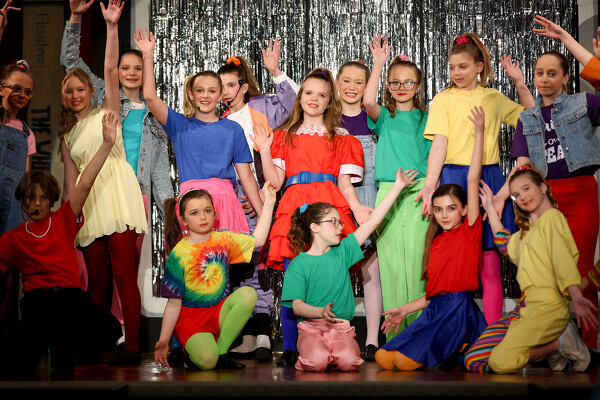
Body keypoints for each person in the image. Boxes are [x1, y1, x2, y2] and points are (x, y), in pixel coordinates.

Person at [416, 32, 534, 325]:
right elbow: (439, 145)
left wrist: (520, 84)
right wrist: (430, 185)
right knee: (455, 258)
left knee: (490, 260)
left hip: (487, 179)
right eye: (452, 67)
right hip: (453, 179)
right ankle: (455, 326)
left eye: (463, 67)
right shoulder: (443, 99)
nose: (456, 73)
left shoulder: (492, 98)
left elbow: (532, 119)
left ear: (479, 67)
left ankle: (491, 333)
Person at [252, 67, 367, 366]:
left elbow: (345, 184)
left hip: (328, 207)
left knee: (330, 275)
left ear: (329, 102)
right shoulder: (283, 136)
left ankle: (334, 343)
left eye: (321, 95)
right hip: (294, 209)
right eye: (308, 92)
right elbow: (275, 181)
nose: (314, 99)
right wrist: (265, 150)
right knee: (294, 279)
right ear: (300, 97)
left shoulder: (342, 139)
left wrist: (357, 209)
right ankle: (291, 347)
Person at [0, 111, 124, 375]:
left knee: (107, 329)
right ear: (22, 201)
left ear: (52, 201)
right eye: (31, 198)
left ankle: (67, 350)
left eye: (42, 198)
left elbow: (86, 182)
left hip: (69, 301)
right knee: (17, 369)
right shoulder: (12, 238)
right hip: (38, 304)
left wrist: (107, 144)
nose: (36, 203)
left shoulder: (62, 220)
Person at [59, 0, 148, 365]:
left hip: (116, 192)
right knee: (95, 279)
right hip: (89, 202)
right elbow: (70, 184)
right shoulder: (67, 136)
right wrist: (67, 220)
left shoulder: (108, 111)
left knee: (124, 273)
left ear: (91, 92)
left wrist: (112, 27)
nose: (75, 95)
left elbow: (111, 69)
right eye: (69, 91)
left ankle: (133, 346)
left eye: (80, 89)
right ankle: (94, 344)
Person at [61, 0, 174, 263]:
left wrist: (172, 221)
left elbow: (160, 174)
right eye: (125, 67)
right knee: (98, 271)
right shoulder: (103, 94)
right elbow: (70, 62)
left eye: (138, 68)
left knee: (126, 272)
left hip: (134, 195)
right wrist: (75, 17)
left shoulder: (155, 116)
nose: (131, 73)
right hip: (99, 190)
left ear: (147, 71)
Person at [374, 106, 487, 371]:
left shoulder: (469, 231)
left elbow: (472, 179)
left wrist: (479, 133)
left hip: (458, 311)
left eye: (451, 208)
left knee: (402, 362)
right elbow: (431, 297)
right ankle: (456, 348)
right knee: (383, 358)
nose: (444, 215)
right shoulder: (435, 242)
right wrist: (404, 309)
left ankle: (463, 340)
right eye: (438, 209)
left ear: (464, 210)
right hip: (436, 309)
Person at [516, 16, 600, 353]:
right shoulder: (527, 118)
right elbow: (522, 168)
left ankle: (590, 342)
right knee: (547, 272)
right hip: (545, 200)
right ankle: (555, 342)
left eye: (553, 73)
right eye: (540, 73)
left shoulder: (585, 104)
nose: (545, 79)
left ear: (566, 78)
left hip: (580, 193)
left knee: (581, 271)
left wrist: (566, 39)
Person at [282, 167, 419, 372]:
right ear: (315, 227)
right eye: (333, 222)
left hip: (340, 328)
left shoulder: (343, 251)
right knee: (318, 361)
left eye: (340, 222)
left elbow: (373, 221)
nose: (340, 226)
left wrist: (398, 186)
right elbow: (298, 307)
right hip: (311, 328)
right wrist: (319, 312)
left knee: (348, 362)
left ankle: (333, 355)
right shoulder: (299, 264)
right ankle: (318, 355)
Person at [463, 165, 598, 373]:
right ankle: (553, 344)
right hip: (524, 309)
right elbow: (504, 245)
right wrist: (489, 207)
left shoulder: (552, 218)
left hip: (547, 307)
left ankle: (560, 343)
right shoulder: (526, 234)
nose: (522, 197)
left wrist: (576, 296)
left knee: (500, 363)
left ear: (543, 187)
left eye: (526, 188)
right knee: (473, 360)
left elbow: (562, 260)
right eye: (516, 194)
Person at [216, 43, 299, 361]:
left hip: (261, 193)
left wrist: (275, 70)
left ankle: (264, 332)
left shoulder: (261, 106)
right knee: (237, 265)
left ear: (243, 86)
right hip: (232, 198)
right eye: (221, 86)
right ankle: (247, 335)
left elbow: (294, 102)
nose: (225, 92)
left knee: (259, 262)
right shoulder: (219, 119)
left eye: (231, 85)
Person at [134, 28, 263, 232]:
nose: (205, 96)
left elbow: (246, 175)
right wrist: (148, 54)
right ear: (191, 95)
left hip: (225, 205)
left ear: (220, 95)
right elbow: (149, 96)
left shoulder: (233, 129)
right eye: (200, 90)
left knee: (224, 254)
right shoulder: (179, 125)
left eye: (212, 91)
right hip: (192, 206)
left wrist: (263, 215)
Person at [154, 181, 277, 371]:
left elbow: (259, 240)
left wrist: (268, 203)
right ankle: (201, 356)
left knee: (248, 294)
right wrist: (164, 340)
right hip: (192, 320)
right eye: (194, 213)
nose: (203, 217)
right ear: (183, 220)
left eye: (207, 211)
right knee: (207, 361)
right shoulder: (179, 254)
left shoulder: (223, 239)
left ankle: (221, 353)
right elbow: (173, 303)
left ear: (215, 213)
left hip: (218, 314)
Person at [362, 34, 431, 343]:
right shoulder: (385, 117)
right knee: (390, 262)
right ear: (388, 86)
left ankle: (419, 333)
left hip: (419, 191)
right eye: (395, 82)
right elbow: (367, 102)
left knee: (417, 261)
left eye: (408, 82)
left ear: (418, 86)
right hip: (388, 192)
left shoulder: (428, 118)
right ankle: (396, 338)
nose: (401, 87)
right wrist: (378, 64)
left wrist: (431, 189)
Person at [335, 58, 383, 361]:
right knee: (336, 270)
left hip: (369, 198)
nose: (351, 87)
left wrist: (378, 65)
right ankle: (337, 336)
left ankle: (373, 339)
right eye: (346, 80)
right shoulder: (327, 117)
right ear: (336, 83)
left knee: (371, 269)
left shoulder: (374, 118)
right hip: (337, 198)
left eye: (359, 82)